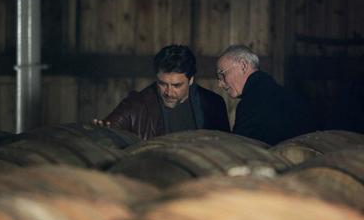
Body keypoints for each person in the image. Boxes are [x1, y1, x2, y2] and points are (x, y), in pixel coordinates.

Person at [94, 45, 230, 140]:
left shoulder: (213, 104)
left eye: (176, 85)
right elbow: (107, 130)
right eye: (162, 84)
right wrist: (101, 130)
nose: (168, 92)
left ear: (191, 80)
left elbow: (224, 149)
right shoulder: (136, 105)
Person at [216, 45, 314, 145]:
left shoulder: (251, 103)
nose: (220, 84)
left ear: (243, 66)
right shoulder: (285, 94)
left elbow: (238, 149)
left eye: (221, 75)